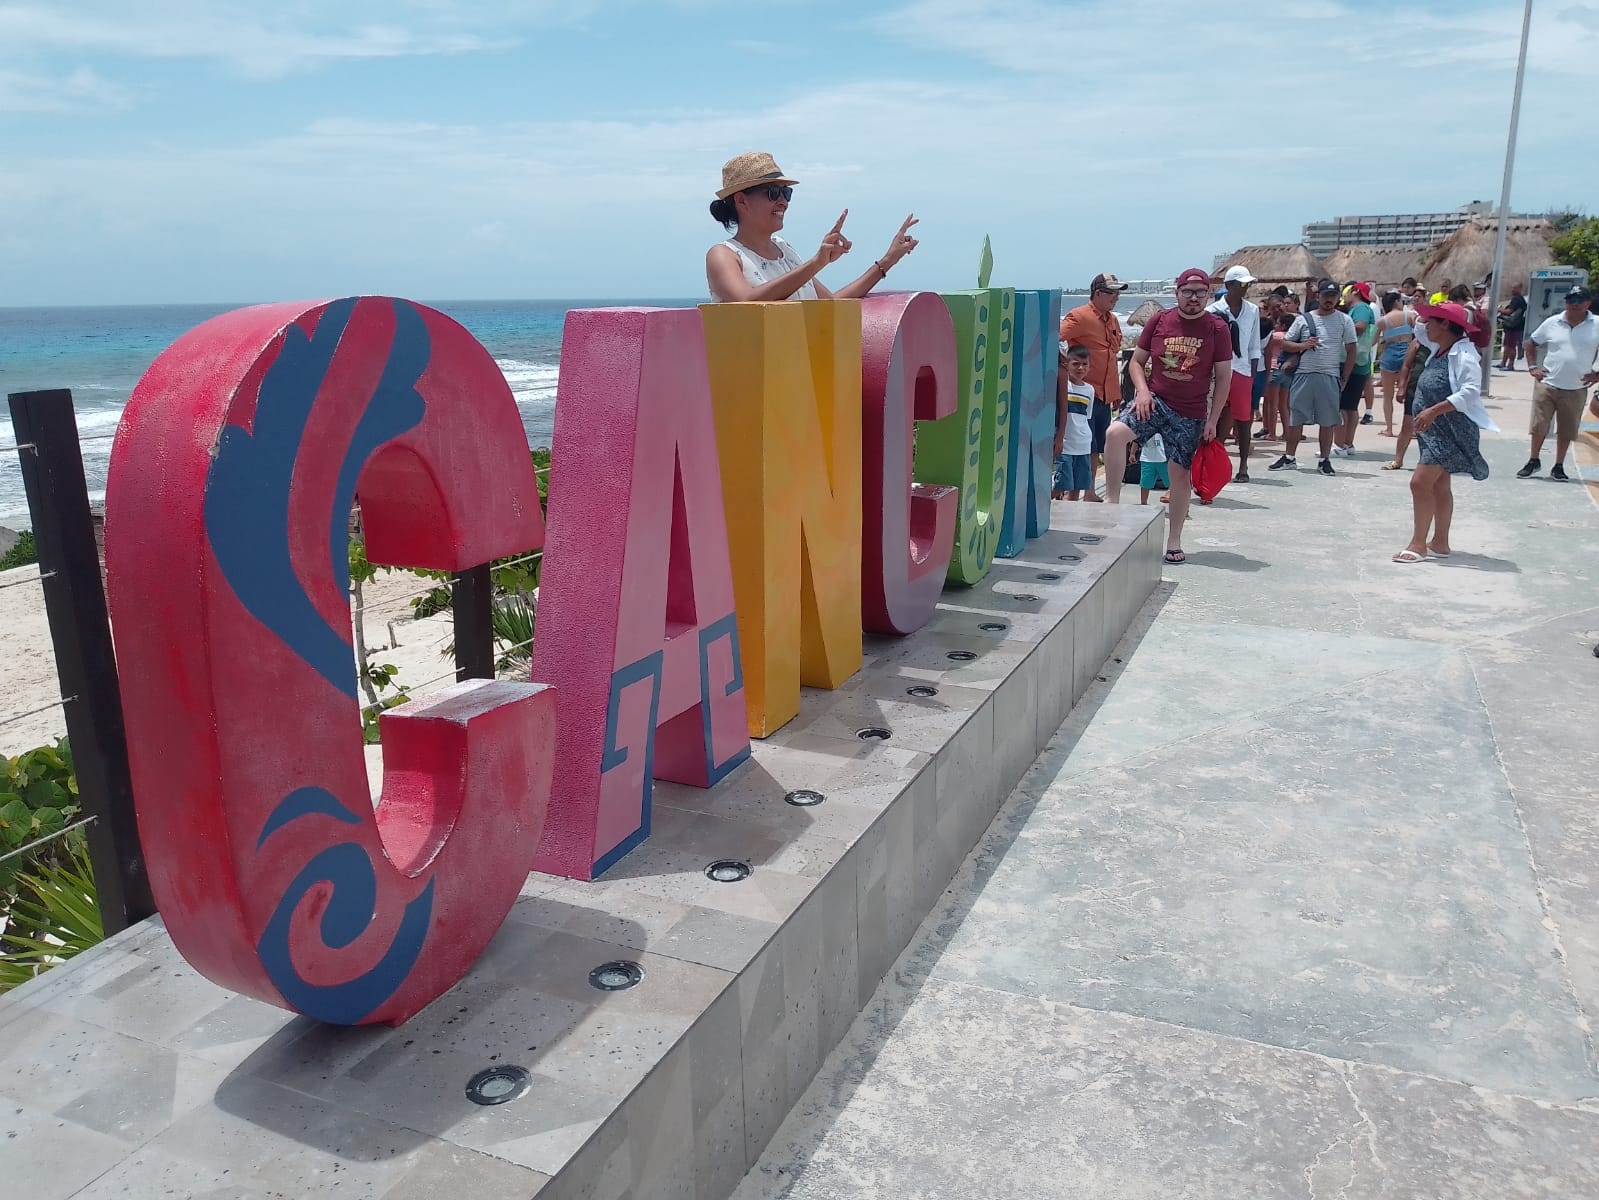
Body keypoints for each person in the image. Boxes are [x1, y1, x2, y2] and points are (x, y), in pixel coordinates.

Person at [1103, 267, 1232, 565]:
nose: (1193, 298)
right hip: (1155, 400)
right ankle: (1111, 501)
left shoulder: (1217, 328)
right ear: (1177, 293)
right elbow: (1136, 362)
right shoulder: (1160, 320)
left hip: (1191, 410)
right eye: (1188, 291)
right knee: (1114, 434)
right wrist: (1143, 392)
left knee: (1180, 475)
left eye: (1200, 292)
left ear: (1208, 295)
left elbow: (1223, 377)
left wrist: (1212, 420)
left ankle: (1174, 539)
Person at [705, 151, 918, 301]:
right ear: (741, 201)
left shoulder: (784, 251)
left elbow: (832, 302)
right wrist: (816, 263)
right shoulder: (724, 255)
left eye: (786, 193)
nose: (783, 202)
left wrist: (887, 261)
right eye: (773, 193)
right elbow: (747, 302)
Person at [1392, 301, 1498, 562]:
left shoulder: (1464, 354)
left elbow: (1471, 391)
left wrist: (1433, 411)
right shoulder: (1439, 348)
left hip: (1451, 429)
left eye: (1432, 321)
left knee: (1419, 483)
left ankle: (1418, 544)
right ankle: (1440, 542)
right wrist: (1428, 313)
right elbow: (1418, 330)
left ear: (1446, 325)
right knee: (1440, 485)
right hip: (1433, 430)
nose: (1426, 325)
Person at [1269, 279, 1356, 476]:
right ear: (1318, 296)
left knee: (1327, 420)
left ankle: (1324, 460)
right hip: (1303, 374)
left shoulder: (1345, 320)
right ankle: (1289, 457)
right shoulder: (1303, 319)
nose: (1329, 300)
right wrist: (1303, 346)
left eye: (1333, 296)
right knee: (1296, 418)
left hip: (1329, 374)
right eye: (1326, 296)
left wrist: (1345, 376)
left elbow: (1352, 350)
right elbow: (1286, 344)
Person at [1518, 286, 1599, 481]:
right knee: (1539, 425)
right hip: (1548, 382)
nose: (1574, 304)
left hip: (1576, 386)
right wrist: (1532, 367)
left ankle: (1559, 465)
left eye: (1579, 300)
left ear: (1588, 303)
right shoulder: (1553, 322)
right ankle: (1533, 460)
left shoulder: (1597, 324)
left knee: (1567, 429)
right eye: (1571, 300)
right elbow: (1531, 342)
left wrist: (1597, 373)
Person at [1062, 273, 1130, 497]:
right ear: (1098, 293)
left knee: (1096, 446)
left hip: (1104, 395)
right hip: (1081, 395)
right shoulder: (1079, 316)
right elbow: (1053, 337)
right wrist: (1064, 369)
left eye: (1118, 293)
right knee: (1079, 445)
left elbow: (1111, 355)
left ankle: (1089, 490)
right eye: (1112, 293)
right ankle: (1071, 493)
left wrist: (1115, 391)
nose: (1116, 297)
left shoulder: (1112, 320)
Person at [1207, 265, 1264, 482]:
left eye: (1247, 284)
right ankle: (1214, 463)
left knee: (1244, 420)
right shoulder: (1213, 312)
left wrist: (1252, 374)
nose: (1245, 288)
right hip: (1218, 370)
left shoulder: (1252, 310)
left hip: (1241, 369)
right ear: (1229, 285)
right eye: (1241, 284)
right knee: (1215, 419)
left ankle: (1243, 467)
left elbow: (1253, 345)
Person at [1334, 281, 1376, 451]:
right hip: (1360, 363)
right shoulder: (1364, 308)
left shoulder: (1360, 309)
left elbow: (1360, 326)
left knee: (1343, 406)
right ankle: (1347, 443)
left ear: (1355, 292)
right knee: (1350, 406)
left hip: (1351, 363)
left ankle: (1339, 444)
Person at [1053, 344, 1096, 501]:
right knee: (1062, 483)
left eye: (1084, 364)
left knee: (1078, 485)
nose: (1080, 368)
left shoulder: (1090, 390)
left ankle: (1070, 515)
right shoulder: (1063, 385)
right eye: (1075, 363)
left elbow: (1087, 417)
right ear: (1067, 363)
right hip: (1065, 443)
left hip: (1082, 443)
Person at [1375, 290, 1413, 437]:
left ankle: (1389, 429)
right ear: (1397, 302)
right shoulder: (1409, 316)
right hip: (1407, 356)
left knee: (1388, 396)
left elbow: (1374, 341)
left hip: (1390, 356)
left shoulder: (1382, 321)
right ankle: (1411, 429)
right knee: (1410, 395)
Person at [1496, 282, 1528, 369]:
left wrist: (1499, 309)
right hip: (1511, 326)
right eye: (1512, 288)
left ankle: (1510, 364)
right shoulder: (1519, 299)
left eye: (1515, 288)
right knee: (1507, 345)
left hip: (1514, 327)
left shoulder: (1517, 299)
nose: (1512, 290)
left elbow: (1509, 311)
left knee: (1510, 346)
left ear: (1520, 289)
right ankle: (1503, 363)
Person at [1139, 432, 1169, 504]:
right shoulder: (1144, 426)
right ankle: (1143, 503)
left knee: (1172, 482)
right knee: (1145, 483)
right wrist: (1132, 453)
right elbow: (1136, 439)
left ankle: (1181, 507)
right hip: (1147, 459)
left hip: (1164, 459)